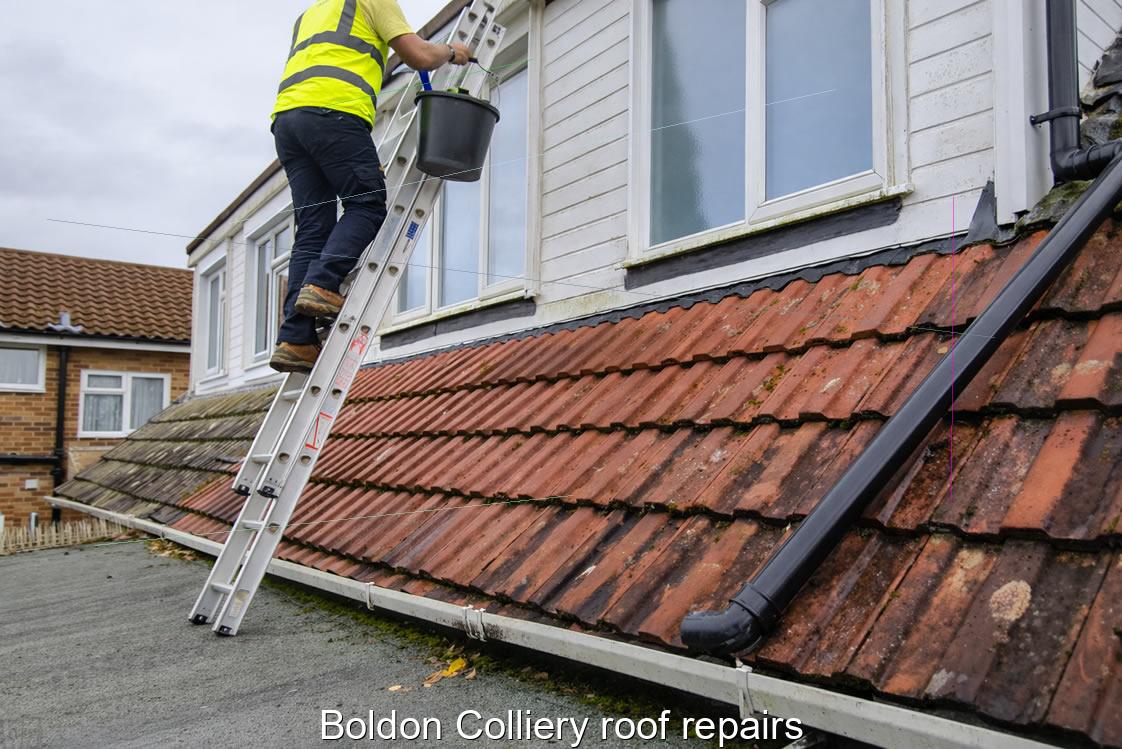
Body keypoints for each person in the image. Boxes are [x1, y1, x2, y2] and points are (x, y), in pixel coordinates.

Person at [269, 0, 472, 373]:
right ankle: (323, 284)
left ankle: (295, 340)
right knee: (367, 204)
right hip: (335, 112)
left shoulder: (310, 15)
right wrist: (453, 52)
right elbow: (420, 56)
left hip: (288, 121)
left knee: (313, 229)